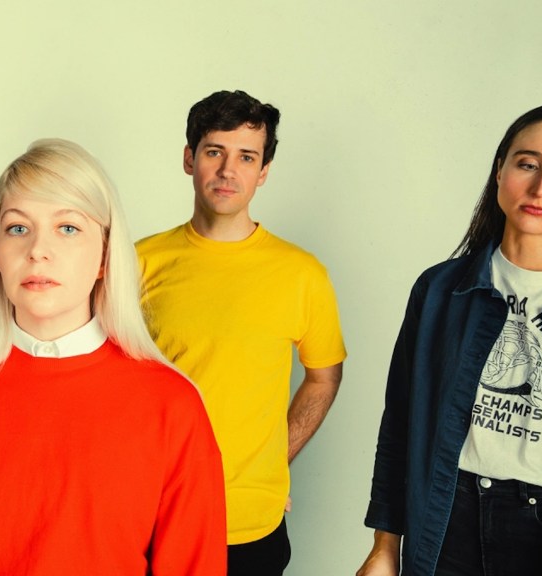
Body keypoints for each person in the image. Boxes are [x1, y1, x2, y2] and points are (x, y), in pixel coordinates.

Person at [0, 138, 226, 575]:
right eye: (18, 228)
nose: (37, 249)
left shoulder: (172, 406)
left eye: (68, 228)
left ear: (104, 255)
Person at [135, 89, 347, 575]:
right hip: (154, 513)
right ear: (189, 159)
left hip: (251, 523)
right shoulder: (139, 262)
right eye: (215, 151)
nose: (229, 170)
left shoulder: (302, 274)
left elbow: (324, 377)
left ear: (263, 171)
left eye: (247, 157)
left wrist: (276, 460)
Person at [358, 102, 542, 576]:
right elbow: (400, 426)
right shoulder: (439, 290)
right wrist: (385, 545)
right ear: (500, 170)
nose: (541, 188)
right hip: (448, 519)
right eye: (528, 164)